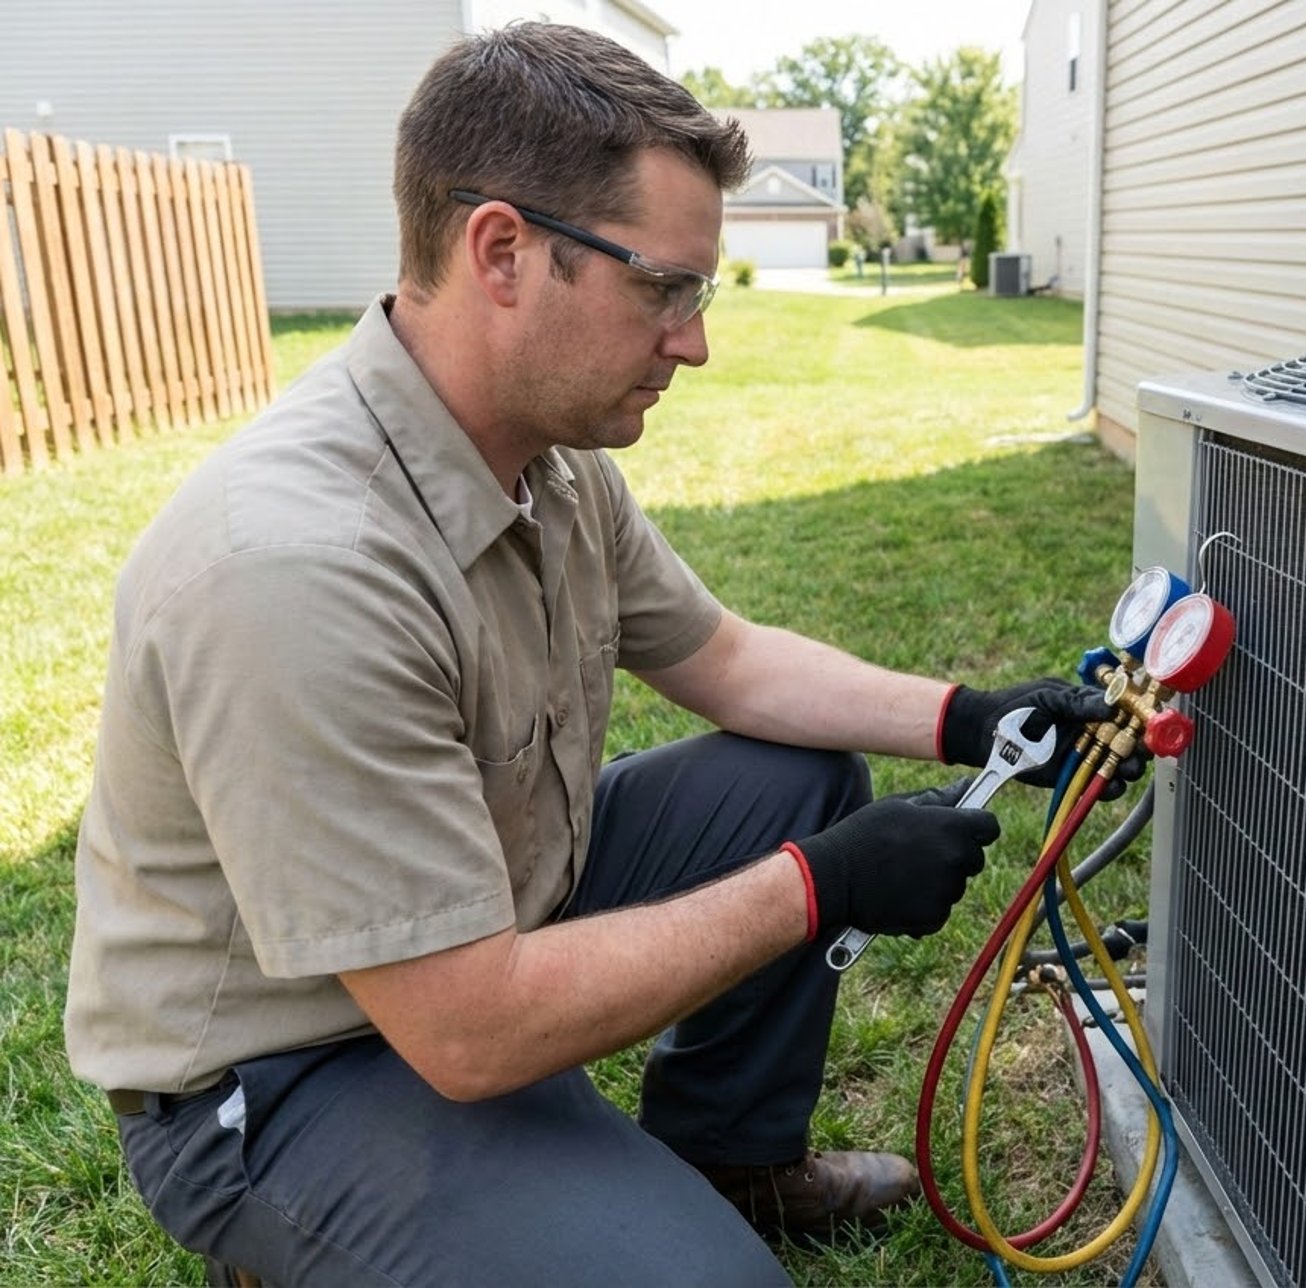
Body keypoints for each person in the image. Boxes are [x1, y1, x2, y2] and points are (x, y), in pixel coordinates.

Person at [63, 23, 1130, 1287]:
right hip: (293, 1064)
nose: (694, 341)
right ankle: (308, 1236)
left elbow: (725, 658)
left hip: (478, 921)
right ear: (503, 251)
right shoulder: (295, 565)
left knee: (795, 776)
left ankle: (730, 1161)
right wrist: (820, 886)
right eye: (664, 288)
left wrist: (970, 717)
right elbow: (468, 1031)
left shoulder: (548, 461)